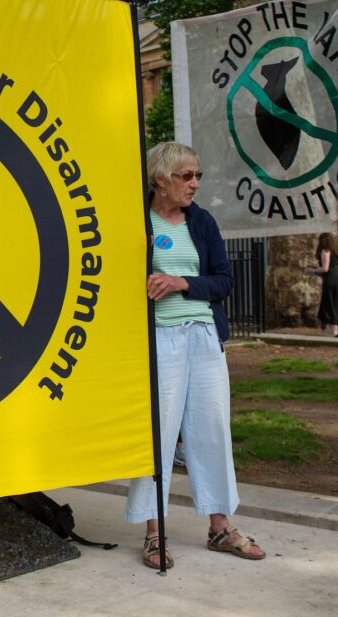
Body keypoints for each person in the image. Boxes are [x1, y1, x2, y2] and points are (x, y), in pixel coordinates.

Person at [125, 141, 265, 569]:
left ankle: (220, 527)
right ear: (160, 180)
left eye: (197, 175)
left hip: (204, 337)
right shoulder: (136, 221)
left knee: (212, 430)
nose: (195, 183)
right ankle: (155, 533)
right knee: (159, 436)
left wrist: (183, 283)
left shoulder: (200, 221)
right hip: (160, 338)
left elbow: (224, 281)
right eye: (186, 176)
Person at [304, 232, 338, 337]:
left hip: (332, 278)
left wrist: (312, 270)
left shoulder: (325, 251)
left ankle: (336, 331)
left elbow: (325, 268)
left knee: (330, 302)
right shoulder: (337, 250)